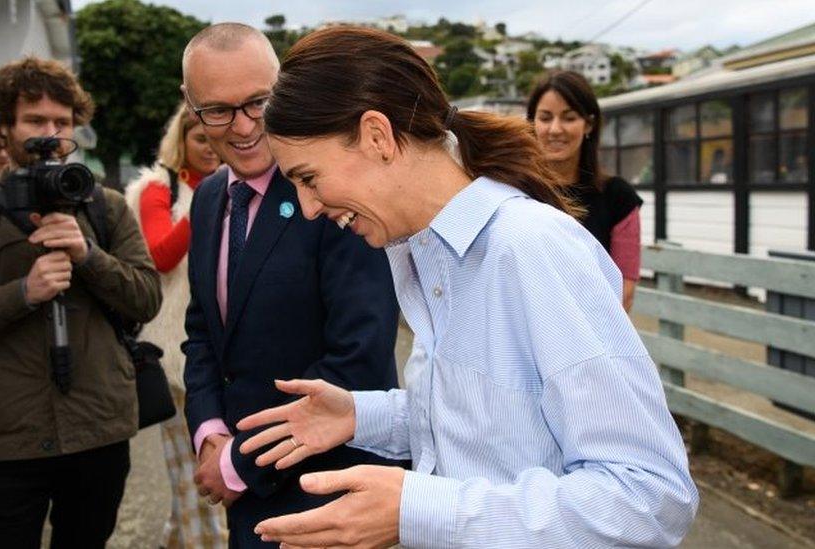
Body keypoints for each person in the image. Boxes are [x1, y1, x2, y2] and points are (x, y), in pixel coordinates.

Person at [236, 27, 699, 548]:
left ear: (377, 136)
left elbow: (650, 498)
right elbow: (492, 425)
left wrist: (423, 511)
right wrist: (361, 416)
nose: (308, 207)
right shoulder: (422, 255)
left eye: (310, 177)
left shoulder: (529, 249)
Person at [0, 56, 162, 549]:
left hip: (99, 429)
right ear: (3, 128)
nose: (49, 134)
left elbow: (146, 297)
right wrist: (21, 293)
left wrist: (88, 256)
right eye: (34, 121)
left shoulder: (105, 207)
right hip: (8, 435)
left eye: (61, 122)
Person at [180, 23, 405, 547]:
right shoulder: (210, 198)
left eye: (259, 101)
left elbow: (360, 357)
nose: (243, 127)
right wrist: (209, 429)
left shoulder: (334, 190)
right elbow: (203, 331)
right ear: (190, 106)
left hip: (330, 491)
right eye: (218, 110)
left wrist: (239, 460)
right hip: (246, 495)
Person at [124, 103, 225, 548]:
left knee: (208, 470)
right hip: (175, 351)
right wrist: (206, 204)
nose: (210, 148)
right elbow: (160, 254)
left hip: (225, 346)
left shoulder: (239, 183)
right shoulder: (157, 187)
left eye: (215, 138)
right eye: (200, 139)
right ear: (180, 141)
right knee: (194, 473)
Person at [527, 70, 643, 311]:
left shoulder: (618, 198)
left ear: (588, 124)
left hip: (595, 339)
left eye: (569, 118)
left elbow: (625, 292)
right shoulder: (515, 192)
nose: (555, 129)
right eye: (545, 118)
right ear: (532, 123)